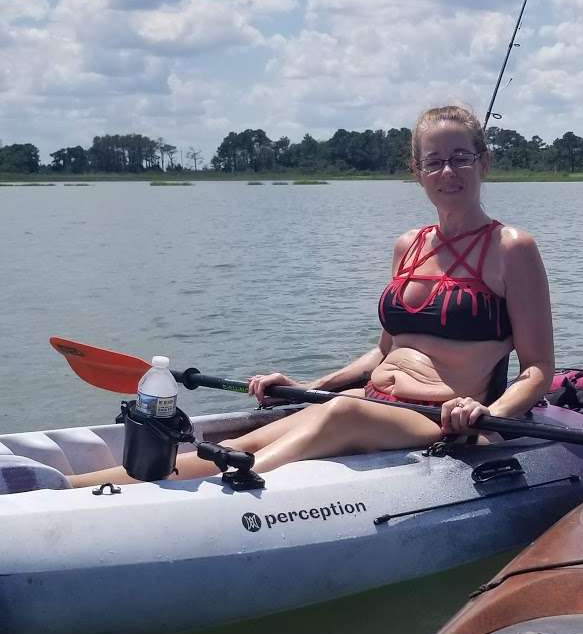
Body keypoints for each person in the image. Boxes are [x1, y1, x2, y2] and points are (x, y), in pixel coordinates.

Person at [71, 104, 553, 488]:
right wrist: (311, 384)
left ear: (483, 162)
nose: (448, 170)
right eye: (434, 161)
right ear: (417, 171)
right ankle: (70, 487)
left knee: (334, 415)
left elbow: (537, 370)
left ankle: (199, 492)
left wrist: (489, 414)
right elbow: (386, 349)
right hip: (372, 401)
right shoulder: (408, 245)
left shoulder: (511, 248)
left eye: (461, 157)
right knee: (260, 434)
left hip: (441, 420)